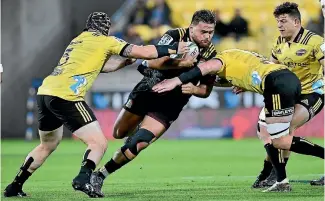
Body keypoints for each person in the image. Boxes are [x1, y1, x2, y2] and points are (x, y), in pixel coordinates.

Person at [3, 11, 189, 198]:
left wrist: (124, 63)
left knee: (47, 145)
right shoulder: (106, 41)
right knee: (98, 143)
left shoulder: (78, 40)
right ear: (106, 29)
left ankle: (15, 185)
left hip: (46, 92)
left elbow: (101, 66)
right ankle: (83, 179)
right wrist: (174, 48)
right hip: (66, 95)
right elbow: (146, 52)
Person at [152, 48, 325, 192]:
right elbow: (231, 76)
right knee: (264, 130)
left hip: (276, 83)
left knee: (279, 140)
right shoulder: (234, 59)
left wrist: (175, 81)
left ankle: (284, 178)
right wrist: (242, 84)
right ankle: (280, 180)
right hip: (283, 80)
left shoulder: (220, 59)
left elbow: (204, 69)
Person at [89, 10, 217, 197]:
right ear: (191, 28)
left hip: (171, 103)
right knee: (119, 133)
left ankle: (100, 175)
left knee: (138, 143)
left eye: (211, 32)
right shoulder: (174, 36)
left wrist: (195, 90)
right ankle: (135, 132)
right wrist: (182, 65)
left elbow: (206, 90)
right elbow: (152, 61)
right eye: (203, 32)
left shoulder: (211, 53)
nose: (207, 37)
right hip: (149, 89)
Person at [239, 2, 324, 188]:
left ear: (296, 22)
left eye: (283, 21)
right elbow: (269, 71)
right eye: (277, 21)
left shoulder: (315, 42)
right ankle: (274, 175)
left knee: (282, 128)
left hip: (313, 93)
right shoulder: (279, 43)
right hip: (288, 94)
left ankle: (272, 175)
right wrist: (247, 85)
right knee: (269, 130)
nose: (279, 25)